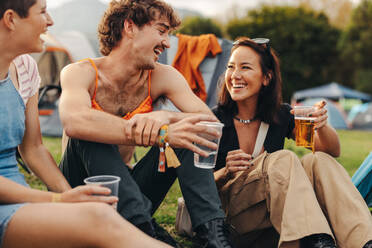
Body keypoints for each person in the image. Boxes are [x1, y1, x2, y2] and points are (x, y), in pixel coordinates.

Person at [58, 0, 234, 247]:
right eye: (161, 31)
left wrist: (165, 118)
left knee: (188, 131)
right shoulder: (81, 72)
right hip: (81, 189)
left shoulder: (162, 76)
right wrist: (160, 135)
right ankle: (144, 230)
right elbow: (74, 121)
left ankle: (213, 235)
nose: (167, 42)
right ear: (130, 27)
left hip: (129, 193)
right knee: (89, 131)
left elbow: (210, 124)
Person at [0, 0, 172, 247]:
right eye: (42, 12)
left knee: (99, 215)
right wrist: (55, 202)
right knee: (98, 219)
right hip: (13, 202)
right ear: (10, 19)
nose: (50, 21)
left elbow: (33, 149)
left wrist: (67, 193)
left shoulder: (25, 68)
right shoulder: (81, 72)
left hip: (20, 196)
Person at [212, 37, 372, 248]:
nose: (235, 75)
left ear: (266, 78)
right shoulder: (213, 121)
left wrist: (322, 125)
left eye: (245, 67)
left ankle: (363, 242)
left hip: (275, 224)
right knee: (283, 158)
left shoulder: (280, 115)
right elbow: (194, 187)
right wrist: (225, 172)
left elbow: (332, 150)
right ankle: (314, 240)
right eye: (231, 67)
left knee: (318, 161)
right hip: (235, 223)